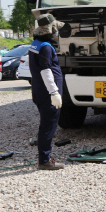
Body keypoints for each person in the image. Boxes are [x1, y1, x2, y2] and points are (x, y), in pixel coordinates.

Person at [29, 14, 65, 170]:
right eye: (55, 28)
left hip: (39, 91)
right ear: (51, 30)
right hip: (47, 94)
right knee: (48, 126)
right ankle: (44, 160)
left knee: (45, 125)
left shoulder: (35, 44)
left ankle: (45, 156)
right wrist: (54, 92)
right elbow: (46, 70)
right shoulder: (45, 47)